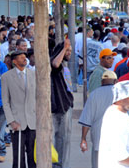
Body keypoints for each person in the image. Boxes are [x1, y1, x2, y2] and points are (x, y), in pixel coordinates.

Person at [98, 80, 129, 168]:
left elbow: (123, 139)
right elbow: (120, 156)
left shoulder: (121, 113)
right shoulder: (116, 119)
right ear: (120, 99)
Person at [2, 51, 36, 168]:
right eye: (21, 58)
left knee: (33, 155)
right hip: (17, 122)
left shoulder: (33, 74)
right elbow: (5, 102)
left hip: (32, 122)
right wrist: (11, 121)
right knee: (18, 156)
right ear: (15, 62)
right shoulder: (6, 77)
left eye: (25, 57)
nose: (24, 59)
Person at [79, 71, 118, 168]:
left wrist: (83, 139)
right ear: (116, 81)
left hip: (99, 139)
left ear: (102, 82)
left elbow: (86, 120)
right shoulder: (120, 94)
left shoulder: (93, 94)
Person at [50, 39, 74, 168]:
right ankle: (57, 165)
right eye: (67, 51)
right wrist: (64, 48)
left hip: (66, 106)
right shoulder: (56, 64)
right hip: (57, 108)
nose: (69, 53)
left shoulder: (65, 66)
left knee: (65, 140)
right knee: (58, 139)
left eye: (70, 50)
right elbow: (55, 64)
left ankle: (61, 165)